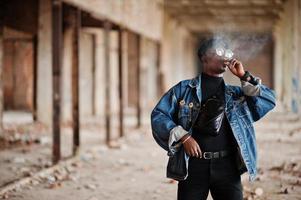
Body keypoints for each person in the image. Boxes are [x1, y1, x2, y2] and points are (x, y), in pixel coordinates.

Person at [150, 37, 276, 200]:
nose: (225, 56)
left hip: (227, 167)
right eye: (219, 51)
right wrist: (184, 136)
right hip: (193, 166)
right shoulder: (184, 89)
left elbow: (269, 100)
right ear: (204, 58)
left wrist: (244, 76)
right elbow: (158, 116)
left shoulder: (236, 94)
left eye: (227, 52)